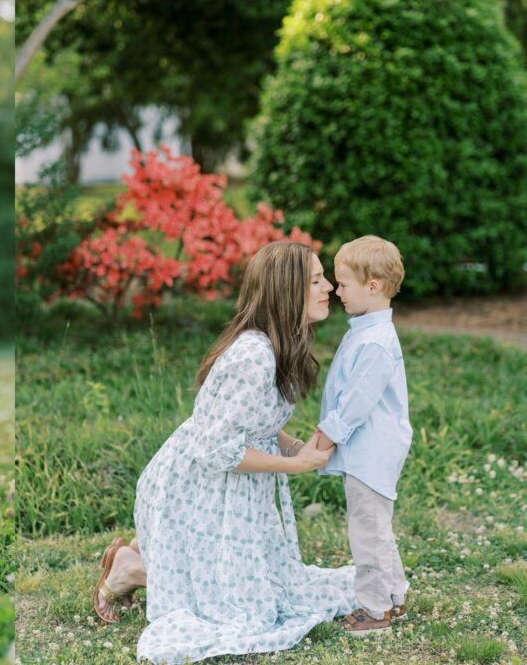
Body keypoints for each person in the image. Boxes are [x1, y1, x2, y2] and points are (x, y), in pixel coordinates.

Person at [92, 241, 359, 663]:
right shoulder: (253, 355)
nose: (327, 286)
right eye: (314, 280)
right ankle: (131, 568)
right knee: (237, 609)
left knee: (266, 590)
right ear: (285, 291)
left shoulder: (278, 344)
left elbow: (253, 419)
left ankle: (140, 559)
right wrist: (292, 464)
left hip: (227, 485)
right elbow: (218, 449)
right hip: (197, 484)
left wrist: (293, 444)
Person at [316, 235, 411, 635]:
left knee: (367, 530)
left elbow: (357, 401)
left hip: (370, 452)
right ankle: (395, 595)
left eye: (343, 284)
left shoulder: (374, 342)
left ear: (372, 287)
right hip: (368, 450)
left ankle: (374, 611)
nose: (337, 291)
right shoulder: (366, 330)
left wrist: (327, 436)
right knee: (377, 525)